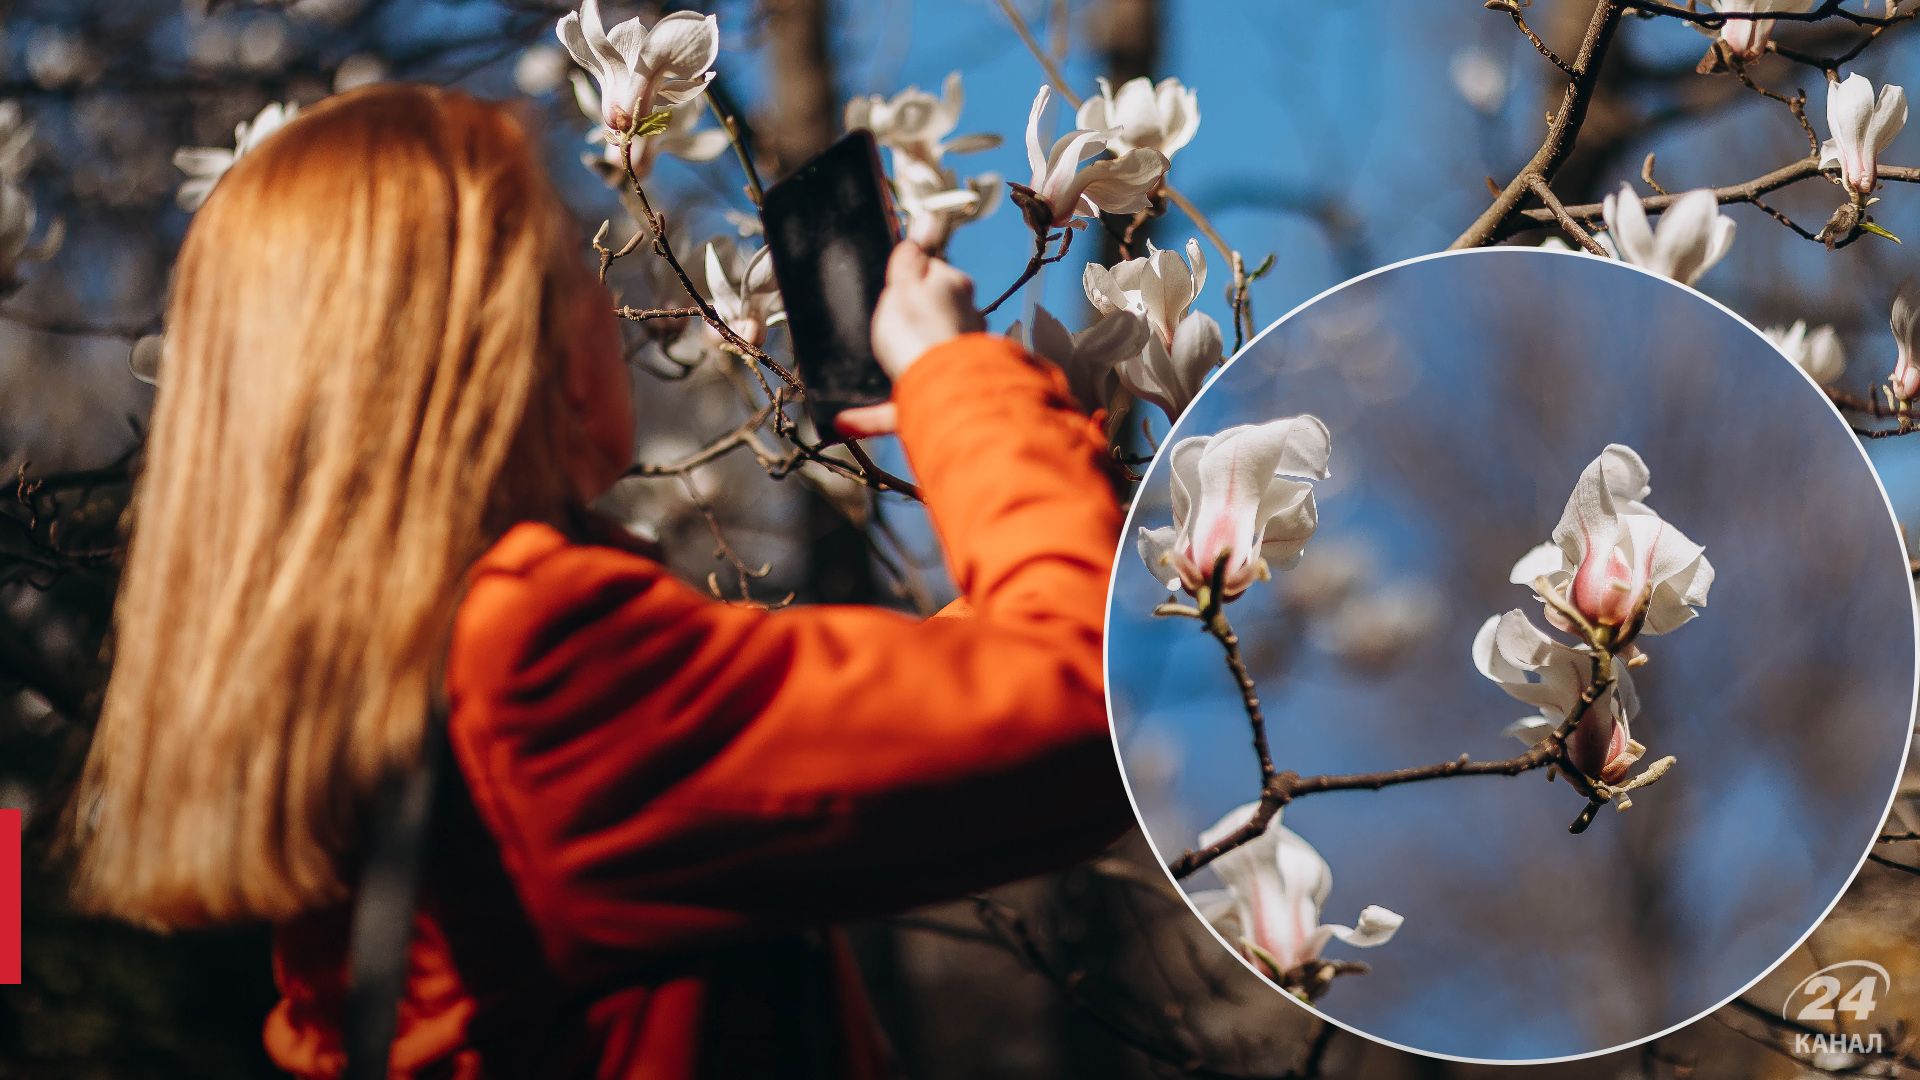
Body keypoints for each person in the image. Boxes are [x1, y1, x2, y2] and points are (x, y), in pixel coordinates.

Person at [66, 83, 1129, 1077]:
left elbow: (940, 700)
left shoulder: (381, 679)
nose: (611, 293)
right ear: (498, 336)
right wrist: (959, 379)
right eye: (576, 260)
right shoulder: (532, 661)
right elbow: (1086, 700)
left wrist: (1030, 472)